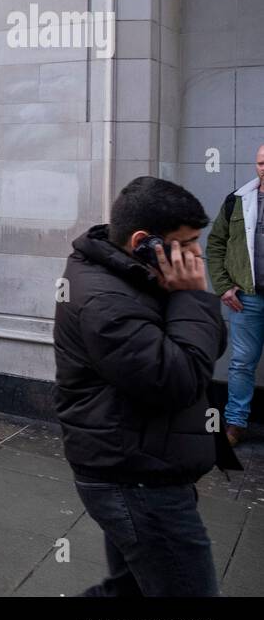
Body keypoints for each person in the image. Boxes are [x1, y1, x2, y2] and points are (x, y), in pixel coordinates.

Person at [54, 176, 228, 597]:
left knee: (128, 593)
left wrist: (191, 299)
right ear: (142, 241)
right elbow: (180, 379)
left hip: (144, 461)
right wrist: (193, 297)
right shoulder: (107, 302)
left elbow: (206, 348)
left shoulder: (136, 273)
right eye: (185, 243)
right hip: (134, 476)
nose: (195, 254)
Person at [207, 143, 264, 447]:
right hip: (248, 298)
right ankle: (235, 424)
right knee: (242, 362)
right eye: (261, 163)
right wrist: (223, 286)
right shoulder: (237, 201)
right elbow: (215, 244)